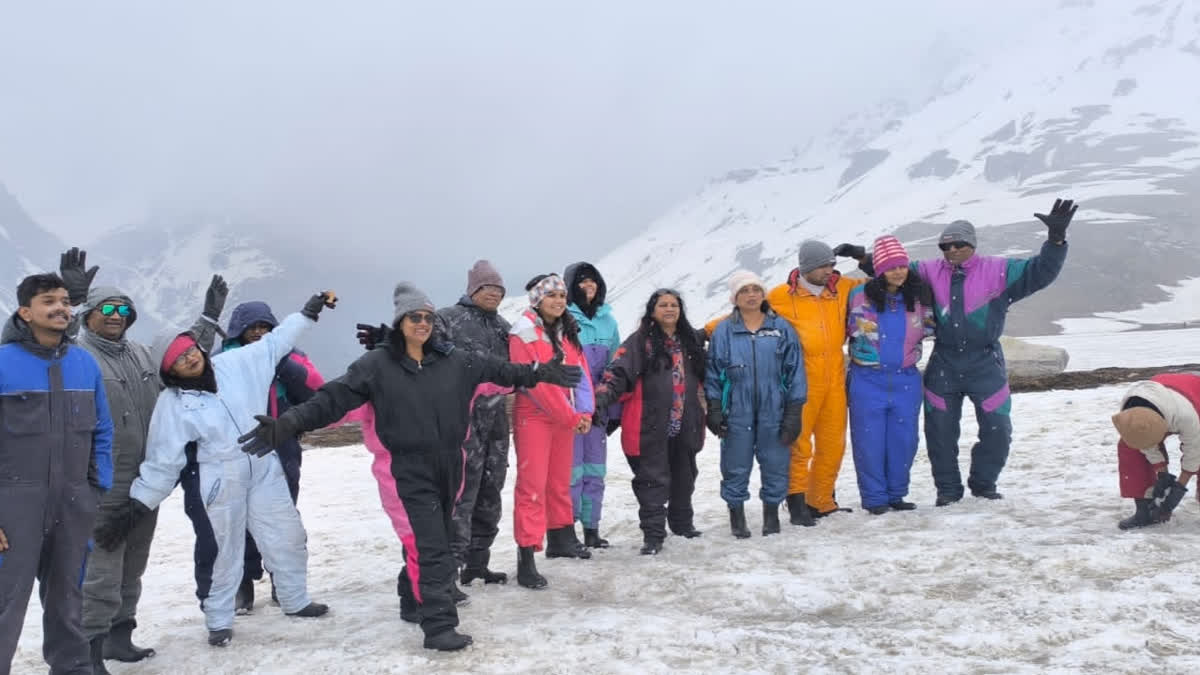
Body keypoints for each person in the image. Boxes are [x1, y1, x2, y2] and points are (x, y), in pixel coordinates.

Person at [237, 282, 582, 651]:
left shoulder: (455, 361)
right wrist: (287, 423)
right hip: (404, 471)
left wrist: (540, 372)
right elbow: (331, 400)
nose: (423, 323)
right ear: (400, 321)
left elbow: (502, 371)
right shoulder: (376, 366)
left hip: (451, 464)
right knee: (433, 548)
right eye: (414, 317)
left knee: (437, 539)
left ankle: (410, 597)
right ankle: (439, 626)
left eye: (428, 317)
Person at [94, 291, 337, 648]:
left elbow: (277, 341)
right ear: (169, 371)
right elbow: (164, 461)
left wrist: (308, 312)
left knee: (287, 536)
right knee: (225, 550)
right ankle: (219, 619)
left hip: (262, 464)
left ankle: (295, 598)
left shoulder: (235, 364)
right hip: (220, 477)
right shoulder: (173, 404)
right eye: (179, 359)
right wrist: (136, 506)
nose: (190, 358)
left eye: (191, 349)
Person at [837, 197, 1077, 504]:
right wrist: (861, 257)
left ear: (972, 244)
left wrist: (1056, 240)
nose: (951, 251)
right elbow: (892, 268)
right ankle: (948, 491)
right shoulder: (927, 270)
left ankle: (983, 483)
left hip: (985, 362)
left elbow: (1040, 272)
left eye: (958, 245)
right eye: (944, 247)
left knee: (998, 428)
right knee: (939, 433)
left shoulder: (1000, 270)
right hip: (945, 362)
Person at [56, 248, 227, 673]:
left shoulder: (139, 354)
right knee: (100, 570)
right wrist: (74, 302)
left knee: (134, 562)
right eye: (106, 308)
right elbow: (52, 343)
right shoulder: (77, 355)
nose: (116, 315)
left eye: (123, 309)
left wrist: (209, 317)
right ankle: (88, 652)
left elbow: (183, 354)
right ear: (91, 313)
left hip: (144, 485)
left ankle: (119, 638)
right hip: (98, 484)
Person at [0, 273, 113, 674]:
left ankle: (72, 667)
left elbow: (103, 429)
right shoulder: (2, 363)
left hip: (73, 500)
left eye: (65, 301)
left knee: (68, 595)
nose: (61, 307)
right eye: (49, 301)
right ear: (25, 311)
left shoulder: (83, 363)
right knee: (5, 602)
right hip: (14, 504)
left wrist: (95, 489)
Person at [184, 300, 327, 614]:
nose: (260, 333)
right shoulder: (220, 362)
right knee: (236, 522)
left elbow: (316, 395)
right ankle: (241, 586)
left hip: (283, 448)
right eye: (253, 327)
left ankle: (287, 585)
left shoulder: (292, 358)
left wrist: (284, 365)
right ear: (239, 331)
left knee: (283, 518)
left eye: (266, 327)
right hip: (235, 452)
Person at [594, 288, 707, 553]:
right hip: (650, 423)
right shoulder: (640, 341)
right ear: (652, 311)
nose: (670, 309)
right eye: (663, 305)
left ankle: (682, 524)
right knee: (652, 480)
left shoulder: (689, 341)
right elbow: (617, 372)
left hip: (684, 421)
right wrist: (602, 397)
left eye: (674, 305)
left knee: (684, 475)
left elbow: (706, 376)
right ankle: (654, 536)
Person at [767, 241, 866, 521]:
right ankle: (796, 503)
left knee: (833, 443)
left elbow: (884, 278)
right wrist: (704, 332)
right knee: (799, 444)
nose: (829, 271)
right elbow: (747, 313)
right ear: (806, 268)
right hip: (801, 379)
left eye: (832, 265)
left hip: (834, 376)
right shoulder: (780, 296)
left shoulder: (843, 287)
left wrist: (861, 257)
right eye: (823, 266)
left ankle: (820, 501)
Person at [509, 274, 595, 584]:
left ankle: (561, 538)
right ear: (537, 299)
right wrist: (572, 417)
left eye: (561, 295)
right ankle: (527, 555)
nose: (559, 301)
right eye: (551, 296)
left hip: (565, 417)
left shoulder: (566, 331)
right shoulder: (523, 332)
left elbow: (581, 373)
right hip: (534, 416)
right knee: (532, 485)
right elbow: (537, 386)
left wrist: (585, 411)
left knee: (559, 481)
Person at [706, 272, 806, 538]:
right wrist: (714, 408)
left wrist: (794, 412)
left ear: (763, 294)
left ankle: (771, 514)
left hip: (775, 404)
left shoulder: (781, 328)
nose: (751, 295)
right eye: (744, 291)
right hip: (736, 405)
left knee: (775, 460)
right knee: (735, 462)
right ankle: (736, 515)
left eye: (755, 289)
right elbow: (714, 372)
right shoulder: (724, 330)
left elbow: (795, 371)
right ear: (735, 298)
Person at [845, 237, 934, 515]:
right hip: (867, 379)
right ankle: (874, 499)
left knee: (904, 440)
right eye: (891, 267)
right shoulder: (858, 295)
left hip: (906, 380)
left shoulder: (919, 298)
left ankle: (896, 494)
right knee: (869, 442)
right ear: (879, 269)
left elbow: (932, 327)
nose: (898, 272)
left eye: (902, 266)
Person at [437, 260, 513, 586]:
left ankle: (478, 563)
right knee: (461, 495)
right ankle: (450, 570)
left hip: (497, 422)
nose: (494, 294)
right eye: (488, 289)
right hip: (462, 422)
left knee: (491, 490)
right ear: (473, 290)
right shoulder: (447, 319)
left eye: (498, 290)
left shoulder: (504, 327)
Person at [563, 262, 621, 549]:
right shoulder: (563, 318)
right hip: (570, 408)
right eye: (582, 281)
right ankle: (567, 531)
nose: (589, 285)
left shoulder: (608, 321)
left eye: (593, 281)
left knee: (595, 470)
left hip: (598, 408)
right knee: (571, 472)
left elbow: (615, 364)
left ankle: (591, 527)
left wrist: (609, 404)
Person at [1111, 373, 1200, 529]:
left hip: (1193, 398)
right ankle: (1144, 511)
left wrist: (1178, 489)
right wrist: (1163, 475)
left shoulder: (1186, 416)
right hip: (1157, 400)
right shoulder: (1129, 412)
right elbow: (1143, 442)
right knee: (1129, 447)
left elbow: (1194, 451)